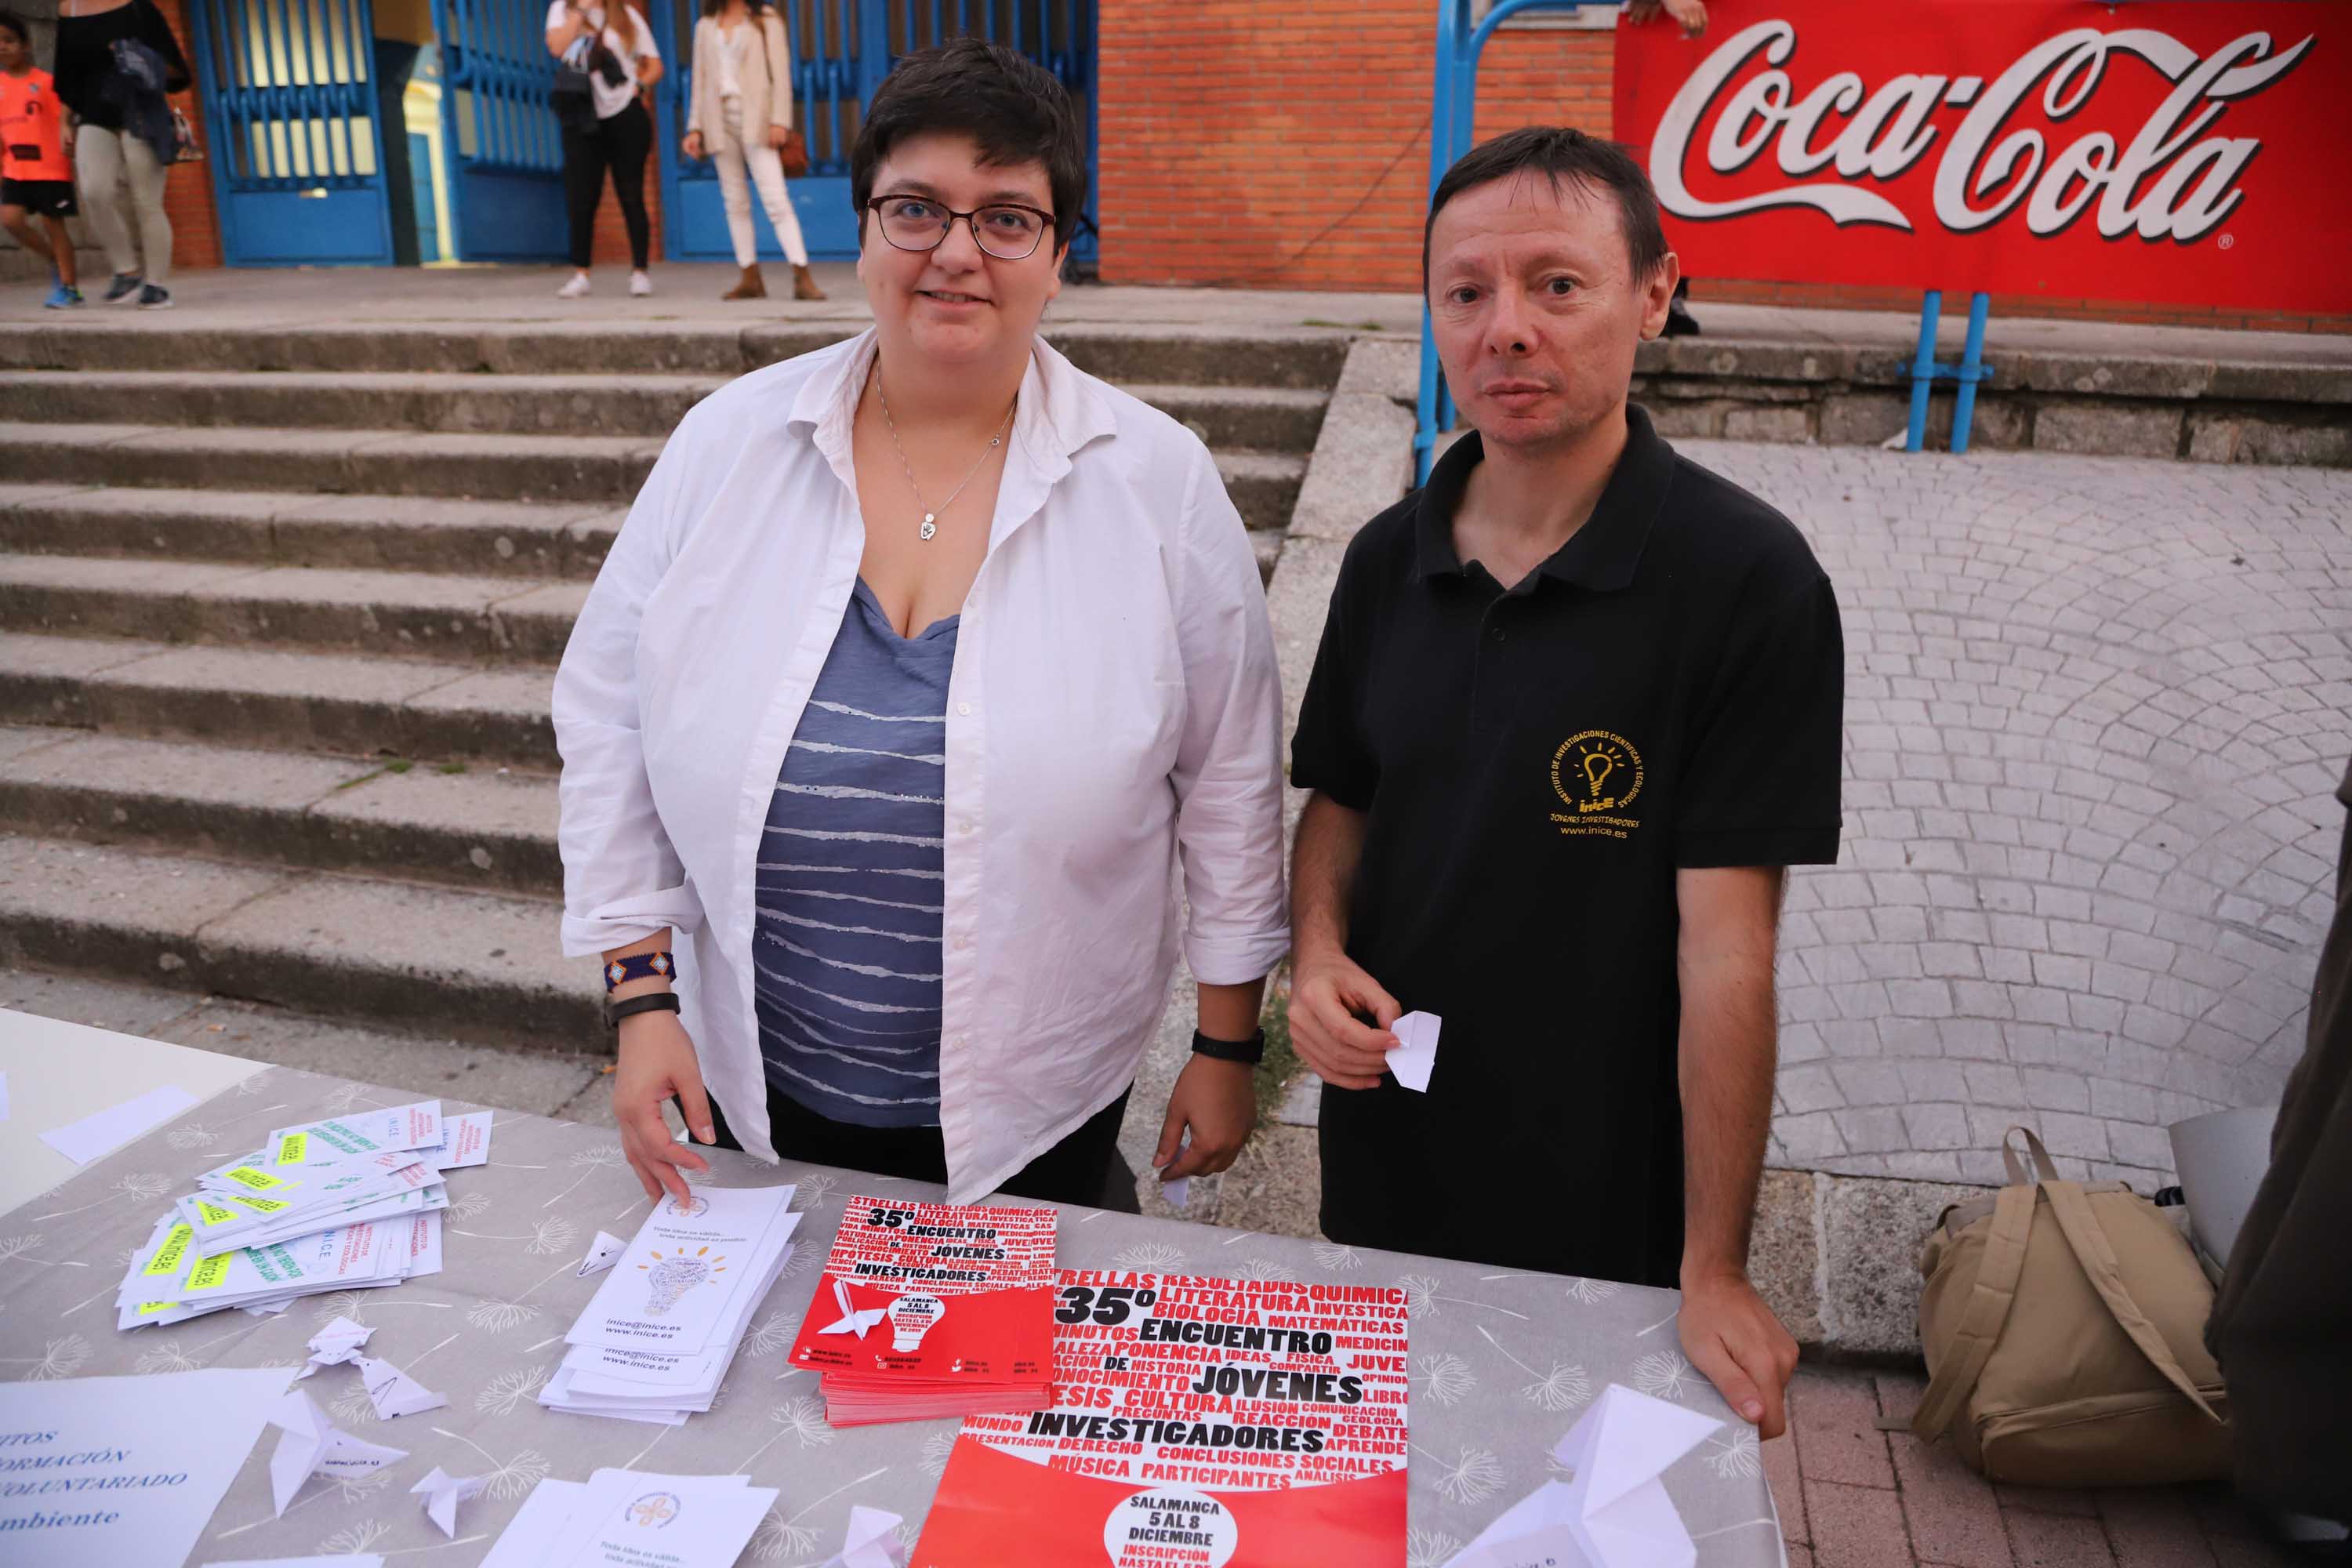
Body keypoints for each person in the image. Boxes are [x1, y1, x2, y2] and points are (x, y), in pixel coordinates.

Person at [554, 38, 1288, 1215]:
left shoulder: (1157, 480)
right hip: (757, 1079)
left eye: (1007, 218)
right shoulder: (727, 445)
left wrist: (1227, 1044)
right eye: (917, 210)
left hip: (1040, 1098)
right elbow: (607, 712)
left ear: (1057, 257)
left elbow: (1233, 778)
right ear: (863, 232)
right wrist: (643, 1003)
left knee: (997, 1385)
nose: (956, 251)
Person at [1287, 125, 1842, 1439]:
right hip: (1386, 1165)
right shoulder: (1385, 560)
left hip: (1613, 1198)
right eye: (1465, 293)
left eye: (1557, 284)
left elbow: (1729, 953)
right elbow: (1341, 804)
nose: (1506, 330)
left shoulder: (1746, 584)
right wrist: (1311, 959)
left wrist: (1715, 1265)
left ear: (1654, 293)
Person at [683, 0, 822, 303]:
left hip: (757, 119)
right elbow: (700, 80)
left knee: (775, 199)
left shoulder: (765, 19)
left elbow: (781, 74)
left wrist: (779, 121)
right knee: (735, 201)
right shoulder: (705, 25)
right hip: (718, 120)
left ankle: (802, 275)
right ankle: (750, 277)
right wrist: (695, 127)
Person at [50, 0, 186, 309]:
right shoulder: (69, 10)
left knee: (146, 200)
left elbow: (175, 69)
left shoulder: (140, 8)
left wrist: (138, 58)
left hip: (142, 113)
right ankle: (126, 270)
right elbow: (68, 76)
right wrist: (64, 122)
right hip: (95, 114)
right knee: (94, 191)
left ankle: (156, 284)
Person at [545, 0, 661, 299]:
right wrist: (581, 11)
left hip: (625, 114)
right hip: (580, 115)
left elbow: (654, 65)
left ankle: (640, 272)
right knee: (582, 197)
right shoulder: (562, 9)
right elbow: (557, 48)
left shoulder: (627, 14)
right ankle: (581, 273)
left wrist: (638, 88)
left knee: (631, 193)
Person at [0, 10, 80, 308]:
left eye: (9, 40)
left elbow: (63, 119)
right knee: (11, 220)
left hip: (49, 167)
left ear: (27, 45)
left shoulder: (45, 83)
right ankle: (53, 260)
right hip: (14, 169)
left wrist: (67, 133)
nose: (3, 47)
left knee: (53, 225)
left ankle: (70, 288)